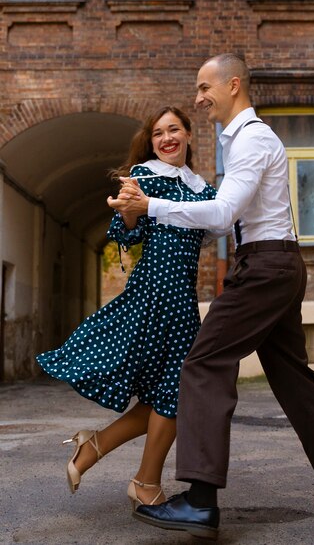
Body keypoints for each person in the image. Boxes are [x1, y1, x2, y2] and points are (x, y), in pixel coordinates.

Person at [119, 54, 314, 541]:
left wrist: (150, 204)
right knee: (293, 378)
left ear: (233, 86)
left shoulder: (252, 139)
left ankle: (200, 501)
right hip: (275, 264)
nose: (199, 97)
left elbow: (223, 214)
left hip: (266, 267)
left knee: (202, 364)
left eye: (205, 87)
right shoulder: (239, 140)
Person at [36, 105, 218, 509]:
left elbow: (216, 223)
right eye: (158, 133)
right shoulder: (144, 177)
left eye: (174, 130)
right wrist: (130, 209)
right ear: (151, 141)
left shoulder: (202, 187)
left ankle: (95, 448)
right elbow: (124, 232)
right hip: (152, 295)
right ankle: (145, 482)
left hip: (183, 303)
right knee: (175, 393)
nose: (167, 138)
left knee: (166, 396)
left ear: (188, 135)